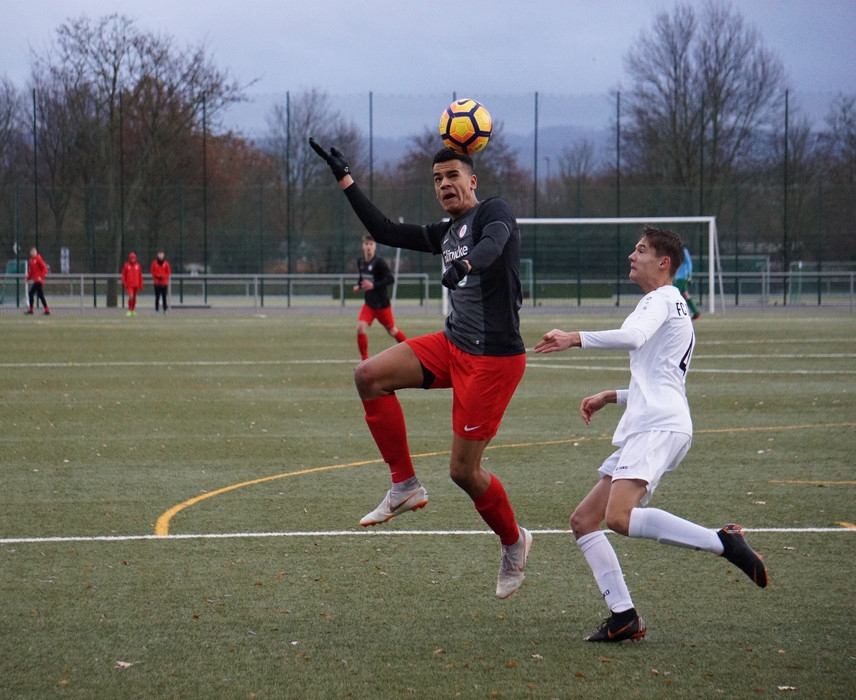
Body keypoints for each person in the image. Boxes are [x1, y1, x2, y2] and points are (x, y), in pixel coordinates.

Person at [310, 137, 532, 600]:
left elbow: (493, 245)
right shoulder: (444, 233)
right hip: (454, 344)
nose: (445, 185)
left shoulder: (495, 212)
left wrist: (467, 263)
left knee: (464, 472)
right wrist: (345, 179)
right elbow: (386, 229)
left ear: (472, 180)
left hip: (493, 360)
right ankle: (405, 485)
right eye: (437, 180)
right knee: (368, 376)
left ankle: (514, 542)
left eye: (452, 176)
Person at [533, 226, 767, 643]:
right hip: (658, 420)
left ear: (664, 263)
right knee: (585, 521)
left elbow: (633, 337)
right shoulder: (672, 304)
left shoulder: (660, 299)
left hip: (657, 426)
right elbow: (661, 377)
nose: (631, 256)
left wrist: (574, 337)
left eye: (640, 250)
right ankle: (623, 616)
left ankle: (722, 541)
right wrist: (613, 395)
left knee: (618, 518)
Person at [354, 234, 407, 360]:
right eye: (366, 244)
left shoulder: (379, 263)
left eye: (371, 244)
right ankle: (364, 360)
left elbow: (390, 279)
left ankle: (410, 349)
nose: (368, 247)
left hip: (382, 305)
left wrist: (374, 285)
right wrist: (358, 285)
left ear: (375, 247)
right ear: (363, 246)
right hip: (369, 304)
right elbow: (363, 277)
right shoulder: (360, 262)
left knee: (392, 331)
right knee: (360, 328)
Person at [673, 245, 701, 320]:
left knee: (674, 295)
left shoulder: (683, 251)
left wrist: (689, 275)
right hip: (678, 276)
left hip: (682, 277)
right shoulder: (673, 251)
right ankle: (696, 312)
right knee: (685, 294)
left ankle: (680, 313)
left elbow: (689, 263)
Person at [26, 247, 50, 315]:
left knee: (31, 293)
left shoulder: (38, 258)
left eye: (34, 251)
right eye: (31, 252)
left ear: (36, 252)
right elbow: (31, 271)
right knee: (40, 295)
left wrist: (41, 277)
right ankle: (47, 310)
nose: (33, 253)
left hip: (38, 281)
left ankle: (31, 310)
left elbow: (45, 269)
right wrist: (27, 278)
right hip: (35, 280)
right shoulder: (31, 261)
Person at [121, 252, 144, 316]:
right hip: (129, 285)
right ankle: (130, 309)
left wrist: (141, 284)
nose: (133, 259)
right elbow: (123, 275)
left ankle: (133, 310)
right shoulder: (126, 266)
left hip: (136, 285)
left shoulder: (138, 266)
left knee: (134, 297)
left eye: (134, 258)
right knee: (131, 296)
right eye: (131, 258)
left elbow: (140, 276)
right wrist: (125, 283)